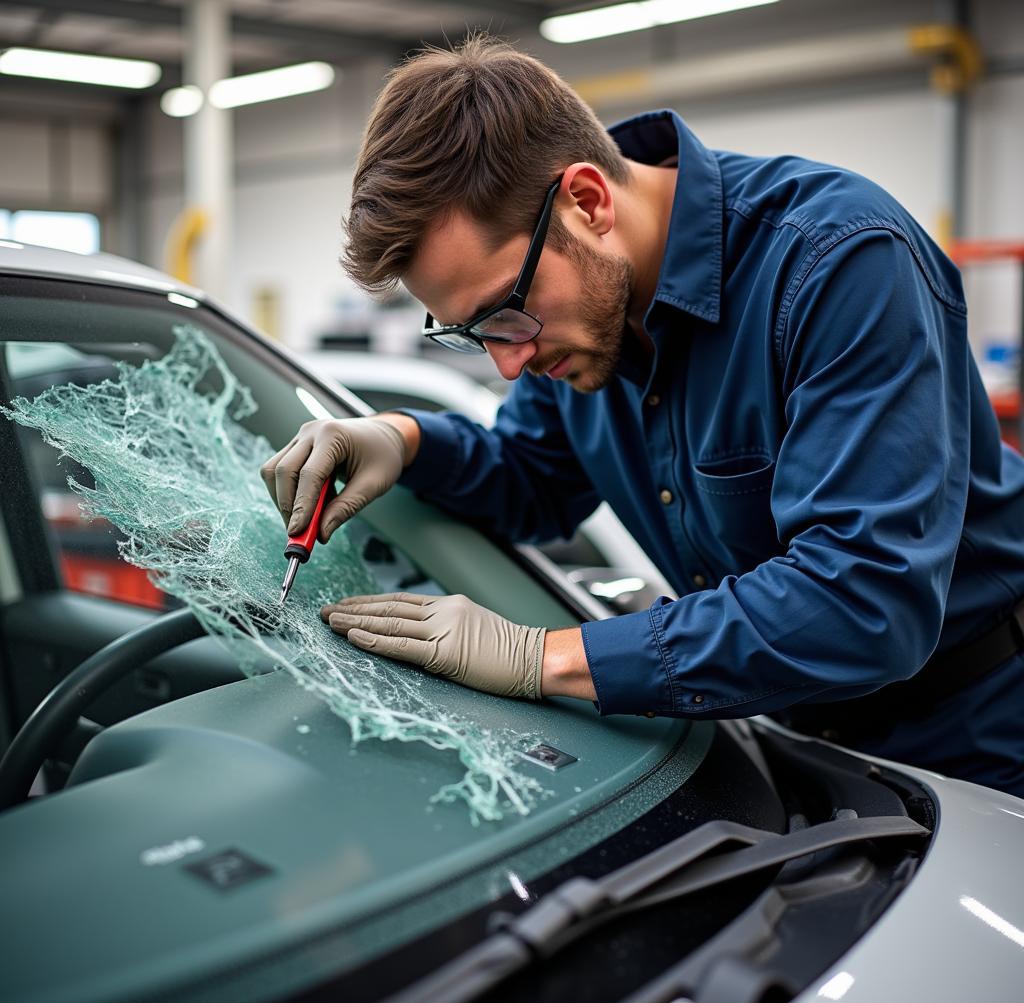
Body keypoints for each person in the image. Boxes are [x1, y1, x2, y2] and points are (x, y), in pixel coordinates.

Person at [261, 36, 1024, 796]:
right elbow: (536, 481)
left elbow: (863, 601)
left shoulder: (839, 262)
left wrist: (547, 659)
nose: (506, 362)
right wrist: (402, 439)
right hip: (791, 739)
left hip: (981, 742)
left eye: (503, 315)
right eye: (471, 333)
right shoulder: (579, 311)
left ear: (588, 202)